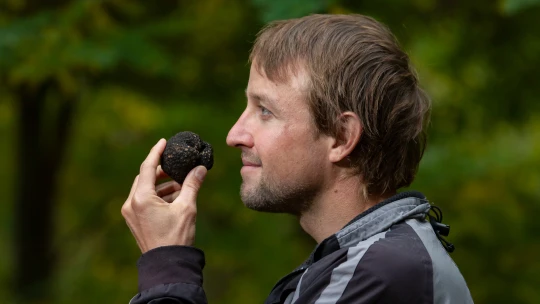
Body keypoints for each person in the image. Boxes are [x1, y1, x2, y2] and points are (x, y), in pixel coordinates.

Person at [121, 14, 474, 304]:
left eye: (265, 111)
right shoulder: (360, 264)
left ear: (341, 137)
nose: (234, 135)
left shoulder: (378, 276)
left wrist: (166, 264)